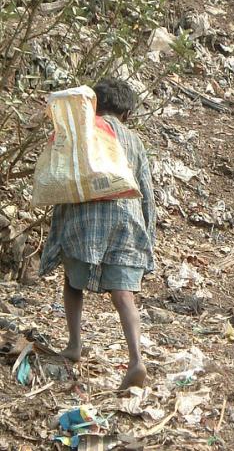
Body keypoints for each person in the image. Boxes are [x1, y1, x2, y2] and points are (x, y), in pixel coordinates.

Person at [39, 78, 156, 389]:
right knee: (123, 295)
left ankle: (75, 344)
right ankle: (136, 359)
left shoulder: (81, 130)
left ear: (94, 105)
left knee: (72, 282)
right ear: (128, 114)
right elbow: (145, 190)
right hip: (126, 221)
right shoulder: (134, 140)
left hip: (81, 221)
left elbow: (63, 176)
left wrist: (58, 227)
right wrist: (148, 239)